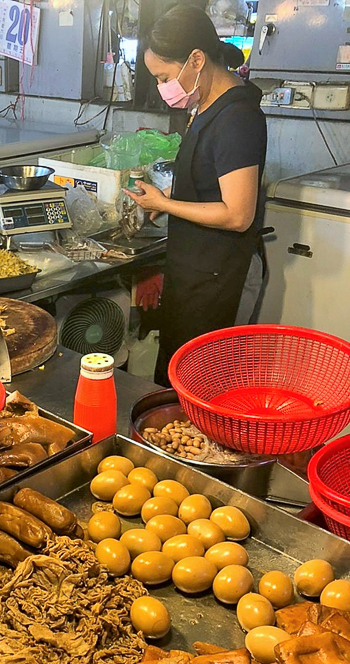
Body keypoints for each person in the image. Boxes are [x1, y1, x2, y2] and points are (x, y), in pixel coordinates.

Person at [125, 4, 266, 386]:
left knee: (198, 385)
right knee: (175, 377)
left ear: (197, 59)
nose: (161, 88)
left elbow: (238, 214)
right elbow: (212, 176)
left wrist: (165, 204)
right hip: (195, 269)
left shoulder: (237, 118)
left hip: (217, 278)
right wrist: (171, 192)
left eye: (164, 77)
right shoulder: (208, 104)